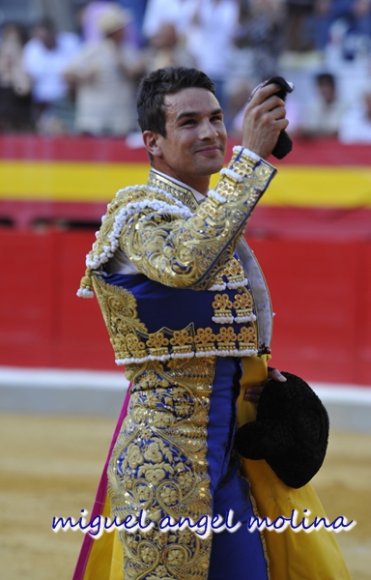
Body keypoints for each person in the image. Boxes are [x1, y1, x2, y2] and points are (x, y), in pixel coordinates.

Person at [74, 67, 350, 579]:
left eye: (217, 118)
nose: (209, 132)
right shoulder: (136, 216)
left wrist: (263, 382)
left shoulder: (209, 216)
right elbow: (184, 264)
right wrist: (249, 160)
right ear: (152, 142)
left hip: (233, 457)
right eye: (189, 122)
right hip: (166, 465)